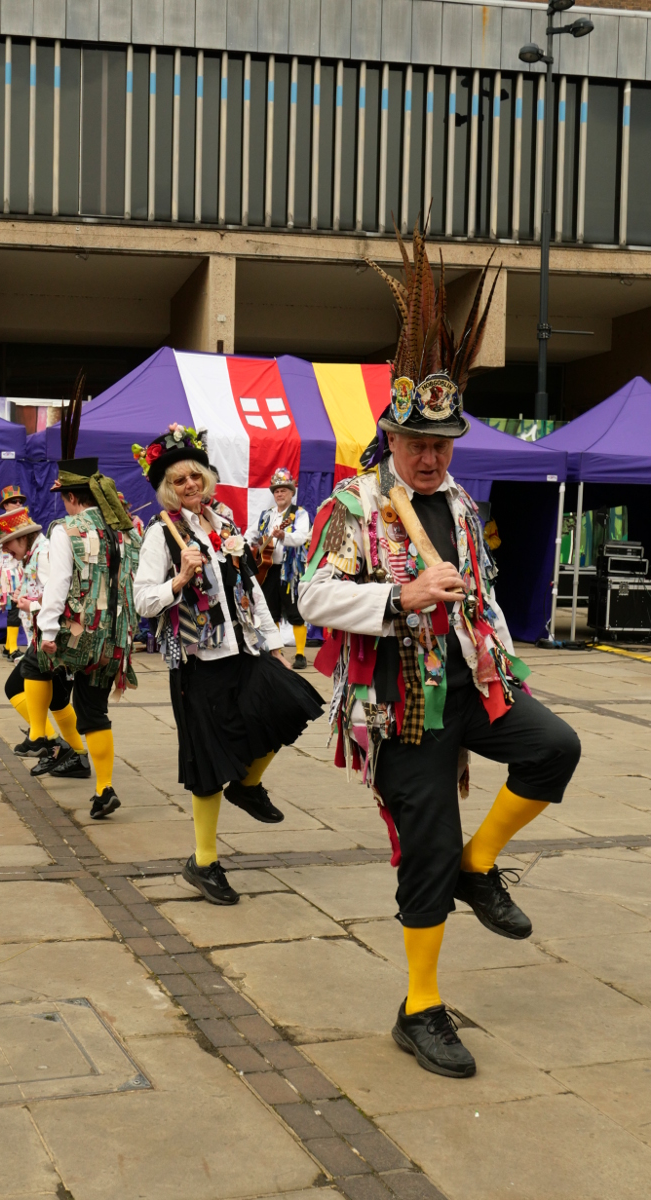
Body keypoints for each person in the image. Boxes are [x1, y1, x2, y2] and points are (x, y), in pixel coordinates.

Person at [298, 230, 581, 1080]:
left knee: (553, 747)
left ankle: (479, 864)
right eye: (417, 443)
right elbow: (310, 597)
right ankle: (420, 1008)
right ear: (389, 433)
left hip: (472, 684)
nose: (429, 456)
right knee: (421, 849)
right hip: (401, 704)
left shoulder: (457, 502)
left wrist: (491, 639)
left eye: (442, 443)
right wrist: (396, 599)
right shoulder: (353, 504)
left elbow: (479, 589)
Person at [133, 425, 324, 905]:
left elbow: (251, 586)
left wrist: (276, 641)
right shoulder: (161, 533)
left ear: (207, 478)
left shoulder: (225, 524)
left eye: (195, 475)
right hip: (199, 663)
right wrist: (178, 581)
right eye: (179, 481)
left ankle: (249, 785)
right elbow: (141, 601)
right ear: (167, 489)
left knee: (294, 702)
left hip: (247, 650)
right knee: (207, 763)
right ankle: (203, 862)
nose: (190, 485)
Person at [19, 378, 141, 819]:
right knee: (95, 711)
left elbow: (57, 586)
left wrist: (47, 629)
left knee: (33, 664)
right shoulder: (127, 529)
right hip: (113, 642)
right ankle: (104, 787)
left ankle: (38, 736)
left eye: (64, 498)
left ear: (71, 498)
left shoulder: (65, 530)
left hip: (76, 636)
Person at [0, 507, 91, 779]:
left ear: (24, 538)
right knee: (56, 701)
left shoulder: (44, 555)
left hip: (55, 635)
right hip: (49, 633)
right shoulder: (36, 553)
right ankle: (74, 755)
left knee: (16, 686)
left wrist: (31, 604)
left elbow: (60, 594)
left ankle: (49, 742)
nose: (6, 551)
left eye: (8, 544)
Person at [247, 467, 312, 669]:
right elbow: (251, 534)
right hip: (267, 569)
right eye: (276, 490)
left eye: (283, 489)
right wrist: (248, 546)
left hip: (290, 569)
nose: (279, 493)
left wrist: (284, 536)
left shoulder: (299, 514)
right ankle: (277, 651)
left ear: (292, 492)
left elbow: (302, 537)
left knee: (295, 610)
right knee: (270, 610)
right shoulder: (266, 515)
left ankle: (300, 654)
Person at [0, 484, 28, 660]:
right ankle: (12, 648)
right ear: (5, 505)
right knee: (14, 608)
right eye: (13, 501)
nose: (18, 504)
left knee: (18, 608)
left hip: (21, 570)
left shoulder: (25, 522)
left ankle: (9, 646)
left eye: (20, 501)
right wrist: (2, 534)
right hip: (7, 573)